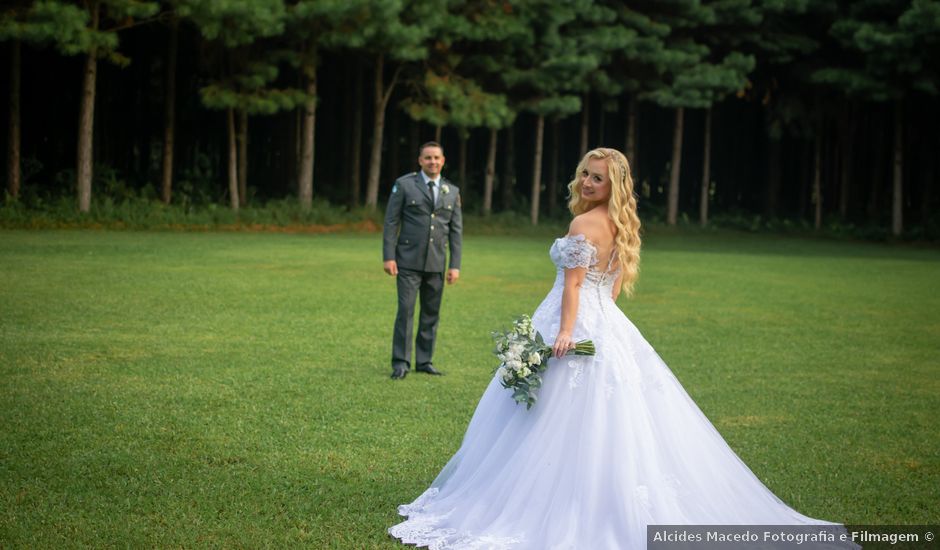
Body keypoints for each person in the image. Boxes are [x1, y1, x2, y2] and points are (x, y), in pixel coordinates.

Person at [388, 148, 848, 548]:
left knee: (551, 412)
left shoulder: (583, 222)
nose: (586, 182)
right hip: (607, 323)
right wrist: (593, 320)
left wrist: (565, 332)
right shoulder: (623, 224)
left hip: (571, 321)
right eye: (585, 173)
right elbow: (608, 290)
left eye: (597, 177)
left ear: (614, 184)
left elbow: (573, 286)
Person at [383, 142, 463, 380]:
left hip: (437, 263)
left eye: (436, 157)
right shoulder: (405, 185)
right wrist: (389, 256)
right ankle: (401, 362)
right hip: (407, 261)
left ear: (443, 160)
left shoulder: (452, 191)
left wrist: (455, 264)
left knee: (431, 313)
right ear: (420, 161)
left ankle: (425, 361)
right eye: (428, 158)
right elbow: (391, 223)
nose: (433, 162)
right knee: (405, 312)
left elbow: (455, 231)